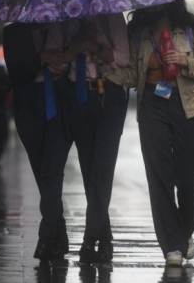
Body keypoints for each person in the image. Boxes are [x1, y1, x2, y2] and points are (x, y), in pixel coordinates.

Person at [39, 14, 136, 264]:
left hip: (110, 95)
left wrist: (91, 45)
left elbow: (123, 58)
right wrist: (72, 50)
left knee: (102, 170)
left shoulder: (111, 18)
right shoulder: (62, 20)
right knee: (88, 170)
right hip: (77, 97)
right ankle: (105, 240)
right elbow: (51, 58)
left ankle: (89, 240)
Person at [127, 0, 194, 267]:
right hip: (152, 105)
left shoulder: (190, 27)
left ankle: (184, 232)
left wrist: (185, 61)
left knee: (189, 178)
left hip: (186, 102)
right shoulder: (140, 32)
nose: (155, 6)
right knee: (159, 176)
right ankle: (172, 247)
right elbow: (131, 74)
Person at [3, 23, 72, 262]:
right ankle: (59, 234)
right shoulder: (13, 32)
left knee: (52, 171)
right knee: (42, 172)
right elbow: (16, 73)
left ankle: (46, 236)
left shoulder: (64, 27)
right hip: (29, 108)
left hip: (62, 106)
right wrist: (41, 58)